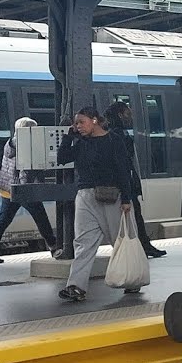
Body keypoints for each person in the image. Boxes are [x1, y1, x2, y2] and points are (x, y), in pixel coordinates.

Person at [56, 107, 134, 301]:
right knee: (83, 242)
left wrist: (126, 199)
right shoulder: (81, 143)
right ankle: (76, 286)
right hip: (85, 195)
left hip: (111, 195)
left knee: (119, 239)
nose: (78, 126)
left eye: (81, 122)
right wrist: (68, 137)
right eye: (76, 123)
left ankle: (132, 279)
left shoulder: (114, 140)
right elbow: (62, 159)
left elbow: (123, 170)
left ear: (94, 120)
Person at [0, 117, 60, 264]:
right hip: (23, 189)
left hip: (9, 189)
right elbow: (25, 171)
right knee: (41, 218)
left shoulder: (10, 143)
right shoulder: (25, 144)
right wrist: (30, 187)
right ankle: (54, 248)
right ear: (28, 130)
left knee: (4, 219)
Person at [104, 102, 166, 259]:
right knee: (134, 215)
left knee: (135, 214)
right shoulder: (118, 135)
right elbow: (124, 162)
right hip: (125, 182)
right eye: (128, 114)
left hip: (127, 180)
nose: (130, 118)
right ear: (120, 115)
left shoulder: (115, 133)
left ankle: (143, 244)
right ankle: (142, 246)